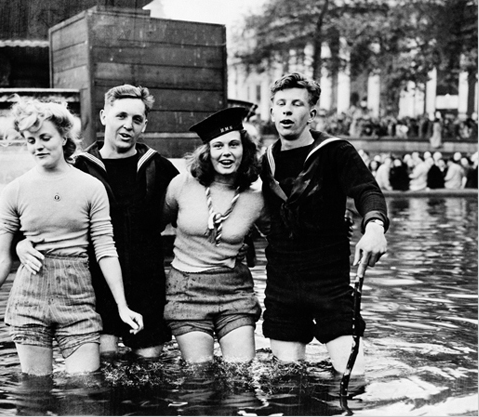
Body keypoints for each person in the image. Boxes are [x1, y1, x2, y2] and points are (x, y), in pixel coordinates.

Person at [0, 97, 143, 375]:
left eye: (45, 137)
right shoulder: (14, 190)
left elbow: (105, 250)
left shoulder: (92, 187)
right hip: (29, 299)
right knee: (36, 394)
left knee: (84, 391)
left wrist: (122, 306)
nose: (38, 146)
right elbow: (1, 258)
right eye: (30, 140)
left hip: (78, 299)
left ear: (64, 136)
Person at [17, 85, 179, 359]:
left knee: (150, 370)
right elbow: (40, 213)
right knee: (104, 370)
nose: (128, 125)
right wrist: (21, 245)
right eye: (121, 116)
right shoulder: (77, 168)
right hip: (93, 288)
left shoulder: (158, 168)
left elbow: (191, 209)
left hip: (147, 287)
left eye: (136, 119)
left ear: (144, 125)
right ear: (104, 116)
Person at [260, 72, 388, 375]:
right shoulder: (265, 160)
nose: (288, 110)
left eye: (296, 103)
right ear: (273, 112)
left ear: (312, 113)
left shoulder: (336, 152)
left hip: (329, 281)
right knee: (286, 384)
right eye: (281, 104)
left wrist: (374, 227)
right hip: (282, 282)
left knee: (353, 379)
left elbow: (367, 191)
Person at [162, 107, 270, 364]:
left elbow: (281, 238)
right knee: (199, 379)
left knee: (240, 376)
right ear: (207, 152)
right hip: (187, 290)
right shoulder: (182, 184)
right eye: (218, 146)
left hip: (234, 291)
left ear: (244, 149)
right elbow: (150, 227)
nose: (226, 152)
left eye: (234, 144)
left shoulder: (256, 196)